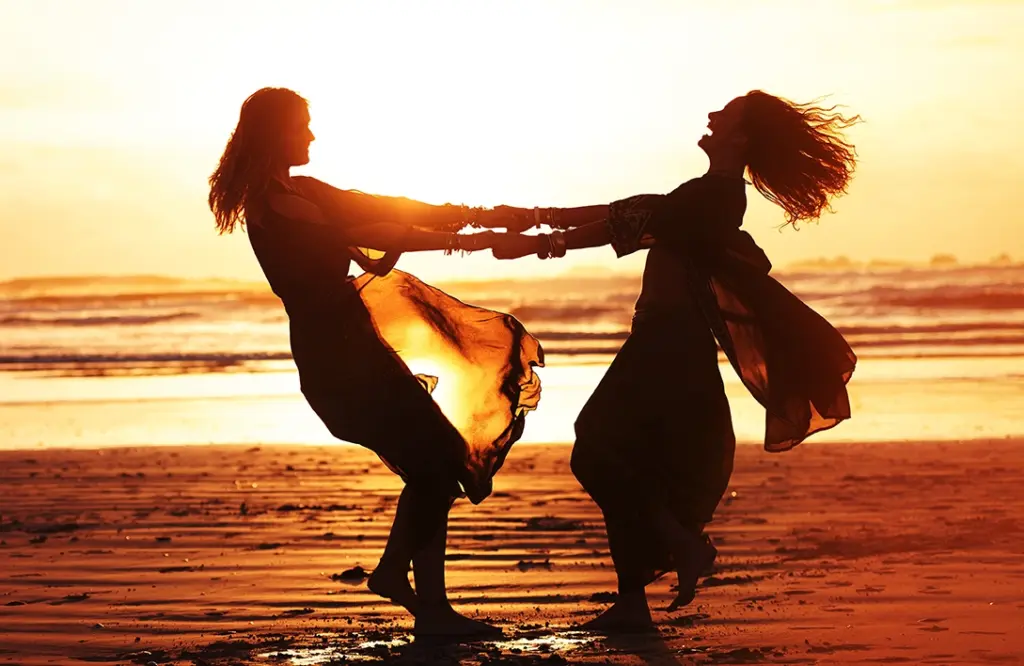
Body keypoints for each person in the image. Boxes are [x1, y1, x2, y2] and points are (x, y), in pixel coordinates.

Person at [488, 90, 859, 632]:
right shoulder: (708, 194)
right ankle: (637, 600)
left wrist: (542, 240)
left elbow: (638, 218)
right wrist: (535, 222)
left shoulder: (716, 197)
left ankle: (682, 547)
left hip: (671, 346)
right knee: (626, 456)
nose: (712, 116)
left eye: (725, 114)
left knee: (597, 446)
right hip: (661, 341)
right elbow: (636, 211)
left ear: (743, 136)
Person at [208, 87, 542, 638]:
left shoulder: (301, 191)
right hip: (339, 361)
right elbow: (375, 227)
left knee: (434, 467)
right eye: (304, 125)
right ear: (277, 131)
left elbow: (378, 210)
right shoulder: (274, 202)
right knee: (437, 466)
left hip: (354, 350)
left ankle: (432, 610)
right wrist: (478, 234)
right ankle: (395, 576)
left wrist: (474, 220)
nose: (312, 135)